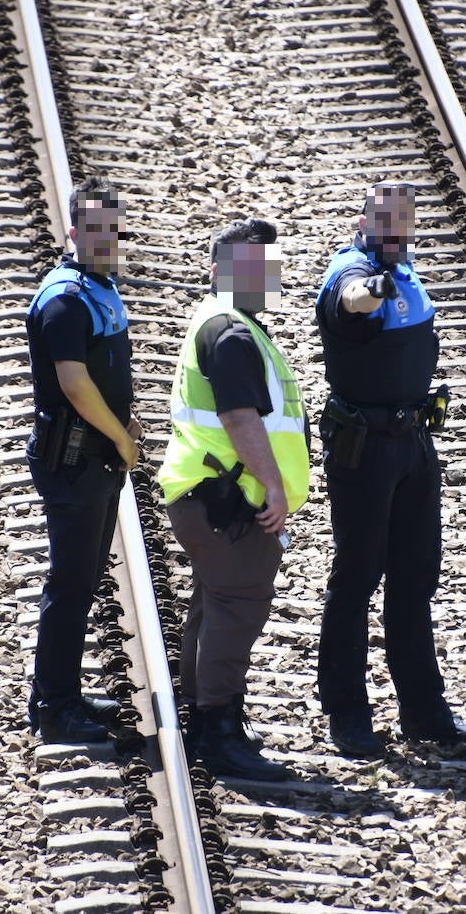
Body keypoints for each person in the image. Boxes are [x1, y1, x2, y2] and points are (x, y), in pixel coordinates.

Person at [313, 182, 466, 757]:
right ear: (361, 221)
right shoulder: (352, 271)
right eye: (383, 219)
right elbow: (349, 302)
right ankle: (347, 713)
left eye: (402, 220)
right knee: (357, 576)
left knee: (415, 579)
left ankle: (424, 711)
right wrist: (369, 291)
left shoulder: (406, 272)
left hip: (413, 444)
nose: (393, 229)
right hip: (364, 448)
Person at [157, 216, 309, 782]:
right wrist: (272, 485)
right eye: (252, 267)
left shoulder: (226, 323)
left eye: (268, 266)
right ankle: (218, 729)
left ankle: (203, 717)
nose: (264, 276)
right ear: (220, 271)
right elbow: (240, 418)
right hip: (230, 497)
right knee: (236, 607)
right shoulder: (231, 332)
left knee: (213, 604)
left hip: (206, 493)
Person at [24, 175, 143, 743]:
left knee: (85, 578)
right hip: (74, 459)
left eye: (113, 230)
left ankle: (57, 692)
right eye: (94, 229)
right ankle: (55, 709)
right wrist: (122, 437)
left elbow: (106, 371)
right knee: (71, 584)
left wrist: (124, 425)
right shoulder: (67, 300)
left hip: (94, 459)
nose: (105, 238)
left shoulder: (101, 287)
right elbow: (74, 384)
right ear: (73, 232)